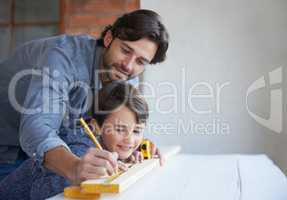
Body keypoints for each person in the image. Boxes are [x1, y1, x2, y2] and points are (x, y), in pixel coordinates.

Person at [0, 9, 169, 183]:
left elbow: (112, 126)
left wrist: (131, 145)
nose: (128, 65)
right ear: (109, 38)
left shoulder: (125, 75)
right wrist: (74, 167)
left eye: (140, 61)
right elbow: (37, 128)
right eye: (126, 50)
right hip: (7, 150)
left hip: (52, 152)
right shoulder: (62, 56)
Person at [0, 81, 159, 199]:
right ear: (96, 127)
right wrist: (96, 175)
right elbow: (39, 191)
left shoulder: (113, 144)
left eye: (137, 130)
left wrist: (127, 159)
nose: (130, 140)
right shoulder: (80, 150)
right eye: (119, 129)